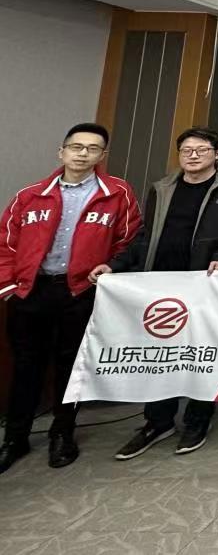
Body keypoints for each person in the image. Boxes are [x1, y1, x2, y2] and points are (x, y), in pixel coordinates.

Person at [97, 127, 218, 460]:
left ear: (217, 153)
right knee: (161, 353)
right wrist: (115, 265)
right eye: (186, 150)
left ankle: (198, 419)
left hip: (206, 282)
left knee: (202, 351)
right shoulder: (162, 187)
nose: (193, 155)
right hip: (162, 283)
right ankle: (158, 421)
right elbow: (146, 235)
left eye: (201, 149)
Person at [0, 123, 141, 474]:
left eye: (92, 149)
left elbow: (129, 240)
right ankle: (15, 438)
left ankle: (62, 434)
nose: (83, 154)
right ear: (61, 152)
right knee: (25, 366)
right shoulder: (30, 195)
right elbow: (6, 244)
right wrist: (9, 288)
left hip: (80, 291)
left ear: (102, 155)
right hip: (31, 291)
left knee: (72, 367)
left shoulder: (118, 194)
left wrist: (111, 267)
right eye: (76, 147)